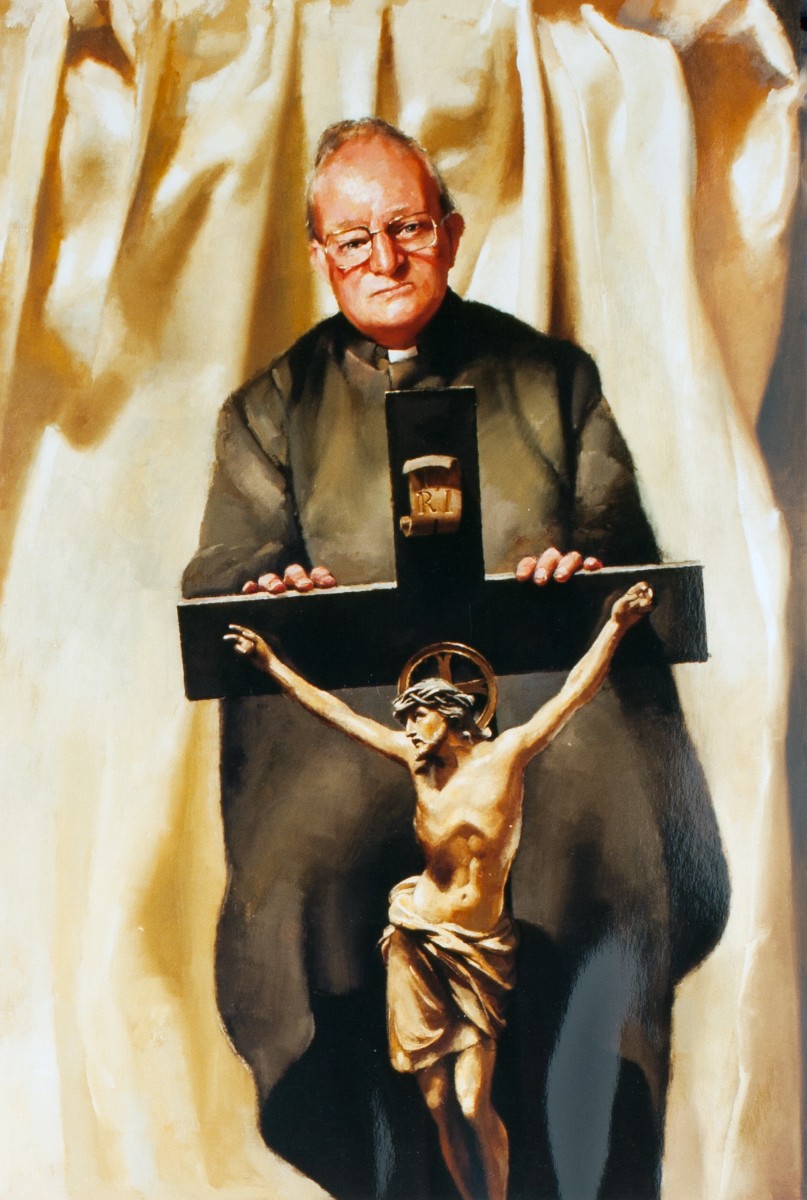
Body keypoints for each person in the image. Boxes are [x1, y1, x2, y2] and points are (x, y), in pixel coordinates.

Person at [184, 118, 727, 1199]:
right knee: (315, 909)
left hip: (540, 755)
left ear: (453, 230)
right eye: (353, 240)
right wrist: (269, 584)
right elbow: (226, 573)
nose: (383, 260)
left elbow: (618, 548)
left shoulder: (551, 379)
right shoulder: (270, 410)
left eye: (408, 228)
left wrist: (582, 559)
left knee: (600, 875)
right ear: (319, 255)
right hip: (359, 755)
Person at [224, 581, 655, 1200]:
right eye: (404, 721)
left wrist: (615, 625)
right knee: (436, 1104)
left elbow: (572, 694)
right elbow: (338, 714)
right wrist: (271, 664)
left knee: (474, 1099)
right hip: (416, 938)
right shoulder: (416, 765)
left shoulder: (507, 756)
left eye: (416, 717)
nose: (408, 729)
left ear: (450, 714)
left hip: (478, 949)